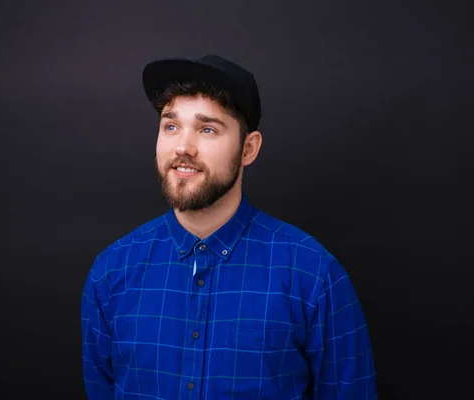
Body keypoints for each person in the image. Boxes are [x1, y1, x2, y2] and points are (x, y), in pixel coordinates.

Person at [81, 54, 377, 399]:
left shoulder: (312, 273)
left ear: (248, 148)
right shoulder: (111, 271)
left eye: (207, 129)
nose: (183, 147)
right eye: (171, 126)